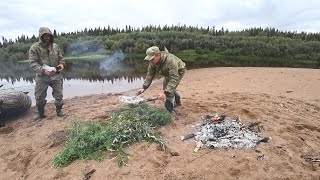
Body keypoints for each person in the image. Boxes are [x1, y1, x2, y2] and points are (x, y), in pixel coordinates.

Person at [29, 27, 66, 121]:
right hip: (42, 77)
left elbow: (61, 58)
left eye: (48, 35)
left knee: (59, 95)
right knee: (39, 97)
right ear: (41, 36)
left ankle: (59, 111)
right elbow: (33, 63)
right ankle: (40, 113)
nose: (47, 37)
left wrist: (61, 65)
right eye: (45, 35)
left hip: (56, 75)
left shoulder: (55, 46)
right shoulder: (34, 47)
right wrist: (43, 70)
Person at [138, 46, 186, 112]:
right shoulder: (152, 62)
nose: (150, 61)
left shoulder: (170, 61)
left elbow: (174, 78)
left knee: (168, 90)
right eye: (149, 59)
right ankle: (177, 100)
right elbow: (150, 75)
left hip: (178, 71)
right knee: (167, 88)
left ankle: (169, 110)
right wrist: (144, 87)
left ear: (158, 55)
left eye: (152, 59)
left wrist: (166, 93)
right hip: (167, 73)